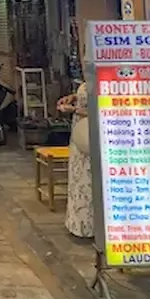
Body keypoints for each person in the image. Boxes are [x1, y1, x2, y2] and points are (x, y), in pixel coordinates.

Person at [58, 81, 94, 238]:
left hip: (91, 135)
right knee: (79, 179)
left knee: (89, 180)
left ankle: (89, 225)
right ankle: (78, 223)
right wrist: (73, 97)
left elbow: (102, 110)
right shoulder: (89, 77)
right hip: (80, 135)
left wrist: (74, 110)